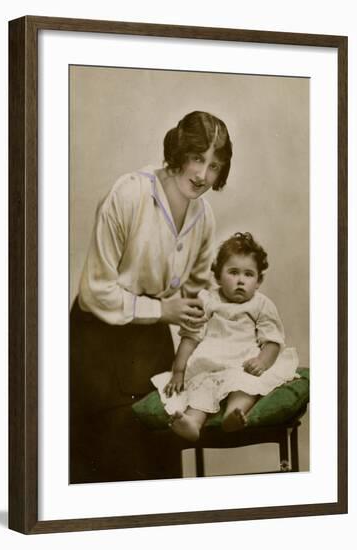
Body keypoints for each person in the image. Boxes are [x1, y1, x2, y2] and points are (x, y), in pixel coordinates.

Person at [69, 111, 233, 482]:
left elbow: (194, 296)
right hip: (97, 343)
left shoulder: (203, 216)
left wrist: (209, 330)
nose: (202, 175)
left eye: (214, 166)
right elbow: (94, 291)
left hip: (151, 347)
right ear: (178, 151)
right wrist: (162, 310)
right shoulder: (129, 193)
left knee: (159, 463)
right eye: (197, 158)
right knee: (108, 465)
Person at [152, 232, 299, 441]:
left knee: (244, 384)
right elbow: (191, 337)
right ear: (218, 276)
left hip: (241, 362)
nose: (241, 281)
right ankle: (192, 423)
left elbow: (272, 340)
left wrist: (262, 362)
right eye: (233, 272)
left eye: (248, 274)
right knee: (200, 389)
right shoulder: (207, 300)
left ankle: (234, 414)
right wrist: (178, 371)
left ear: (259, 280)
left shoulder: (260, 304)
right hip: (209, 363)